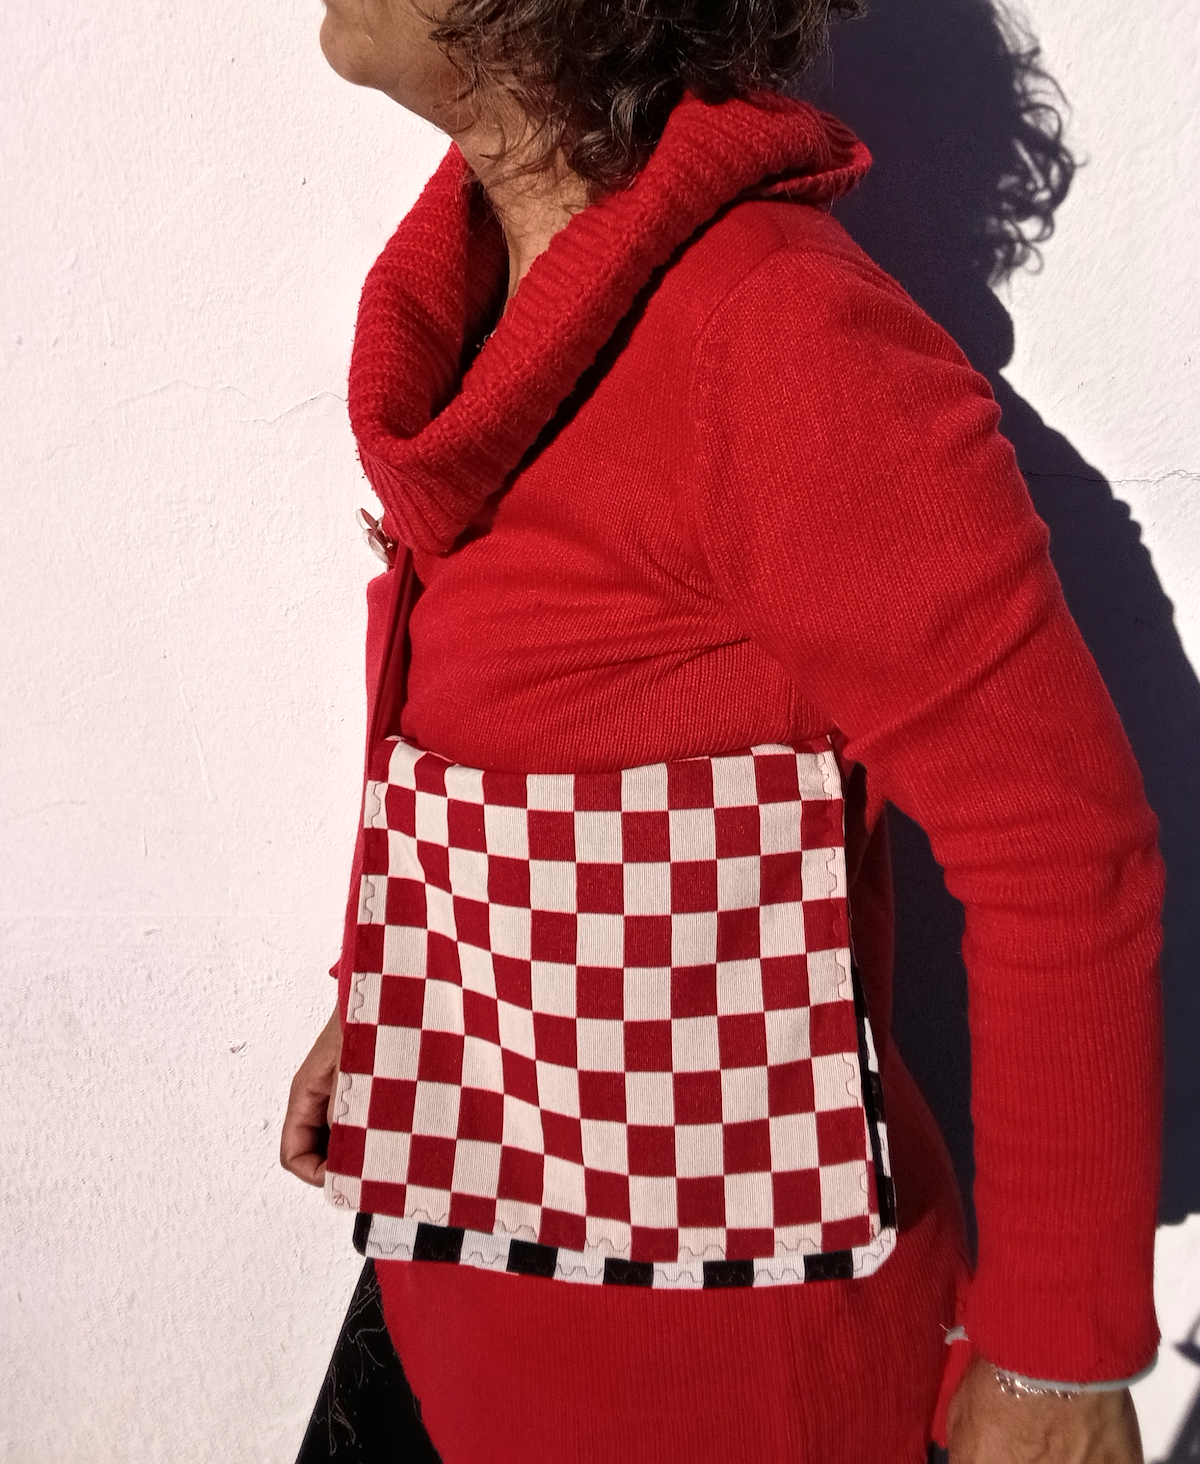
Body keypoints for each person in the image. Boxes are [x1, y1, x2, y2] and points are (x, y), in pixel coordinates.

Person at [279, 1, 1164, 1460]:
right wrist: (401, 993)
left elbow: (1061, 847)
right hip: (468, 1268)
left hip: (709, 1374)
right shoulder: (498, 301)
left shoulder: (775, 338)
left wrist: (1056, 1365)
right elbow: (537, 745)